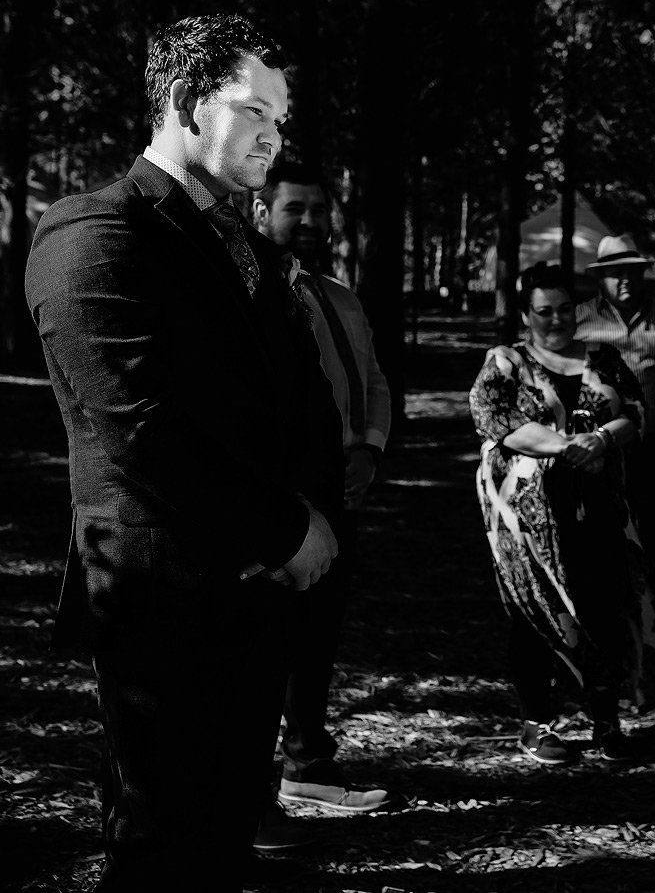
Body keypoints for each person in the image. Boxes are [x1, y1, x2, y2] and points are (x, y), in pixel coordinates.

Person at [24, 15, 342, 891]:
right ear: (182, 104)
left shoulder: (245, 246)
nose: (276, 132)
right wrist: (284, 530)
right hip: (162, 601)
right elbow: (140, 429)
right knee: (162, 849)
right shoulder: (94, 233)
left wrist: (310, 518)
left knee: (226, 837)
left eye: (283, 113)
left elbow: (300, 397)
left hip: (259, 598)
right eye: (253, 109)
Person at [250, 163, 395, 821]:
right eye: (294, 209)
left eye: (318, 211)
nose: (308, 223)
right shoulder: (245, 292)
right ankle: (252, 787)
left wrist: (368, 447)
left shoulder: (341, 297)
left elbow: (373, 380)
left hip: (342, 485)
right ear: (261, 211)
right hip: (274, 491)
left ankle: (307, 762)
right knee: (265, 635)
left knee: (319, 633)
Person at [469, 262, 648, 765]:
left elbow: (633, 413)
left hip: (599, 506)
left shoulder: (604, 357)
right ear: (526, 315)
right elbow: (494, 419)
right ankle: (537, 723)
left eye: (565, 309)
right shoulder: (506, 362)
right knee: (533, 611)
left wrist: (602, 437)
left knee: (605, 606)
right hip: (527, 521)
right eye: (543, 311)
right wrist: (567, 445)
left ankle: (606, 721)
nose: (555, 320)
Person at [574, 235, 655, 634]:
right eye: (616, 274)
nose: (626, 280)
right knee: (601, 529)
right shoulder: (579, 319)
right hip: (600, 448)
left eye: (632, 272)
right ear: (602, 279)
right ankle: (608, 616)